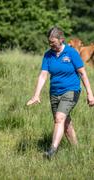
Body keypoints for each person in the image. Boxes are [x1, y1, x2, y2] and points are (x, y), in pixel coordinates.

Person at [26, 27, 94, 159]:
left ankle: (52, 150)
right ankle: (77, 150)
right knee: (65, 122)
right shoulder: (48, 55)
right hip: (54, 92)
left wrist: (90, 94)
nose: (51, 45)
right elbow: (43, 75)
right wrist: (36, 95)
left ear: (61, 40)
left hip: (71, 90)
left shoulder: (72, 53)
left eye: (53, 42)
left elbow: (82, 73)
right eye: (49, 42)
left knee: (59, 118)